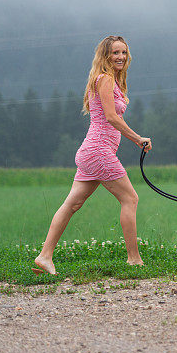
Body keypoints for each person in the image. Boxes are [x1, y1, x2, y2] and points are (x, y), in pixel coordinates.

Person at [33, 35, 151, 275]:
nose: (120, 57)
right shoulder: (105, 79)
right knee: (130, 199)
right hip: (98, 152)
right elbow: (111, 117)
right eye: (115, 53)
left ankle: (45, 256)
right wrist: (137, 138)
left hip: (92, 152)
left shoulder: (111, 81)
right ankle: (134, 259)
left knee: (72, 204)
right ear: (105, 55)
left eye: (124, 53)